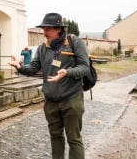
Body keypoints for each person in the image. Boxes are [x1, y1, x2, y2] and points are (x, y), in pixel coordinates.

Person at [8, 13, 90, 159]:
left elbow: (85, 67)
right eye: (43, 29)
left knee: (74, 140)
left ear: (58, 29)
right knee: (55, 137)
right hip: (51, 103)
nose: (44, 33)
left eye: (48, 29)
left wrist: (67, 72)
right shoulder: (42, 48)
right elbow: (33, 67)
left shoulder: (73, 42)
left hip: (71, 100)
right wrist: (20, 67)